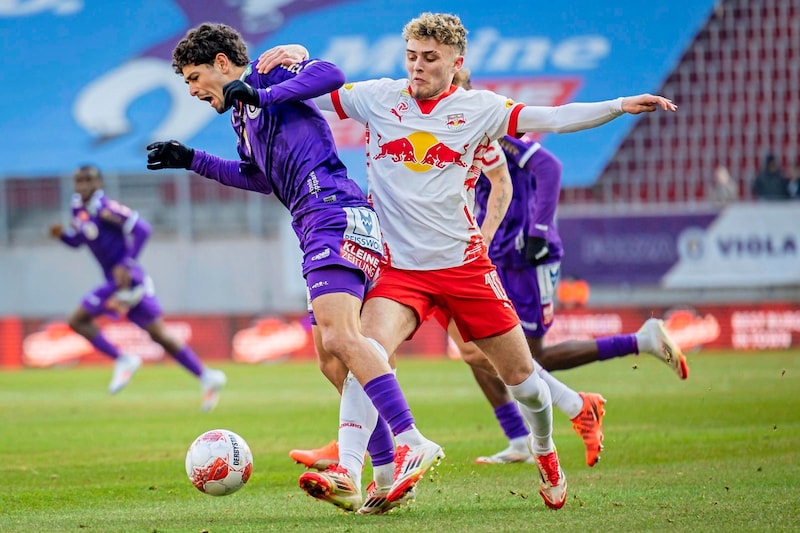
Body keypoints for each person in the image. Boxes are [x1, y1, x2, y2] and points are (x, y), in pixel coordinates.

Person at [257, 11, 677, 513]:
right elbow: (311, 91)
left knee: (524, 380)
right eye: (412, 56)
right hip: (397, 268)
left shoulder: (480, 109)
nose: (417, 67)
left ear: (457, 63)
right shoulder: (379, 98)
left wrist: (619, 105)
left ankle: (545, 454)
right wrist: (299, 58)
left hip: (464, 267)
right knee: (362, 352)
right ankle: (350, 471)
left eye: (430, 58)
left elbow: (554, 118)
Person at [145, 22, 443, 513]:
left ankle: (412, 438)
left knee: (344, 337)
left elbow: (331, 73)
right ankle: (386, 473)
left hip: (333, 211)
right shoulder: (241, 117)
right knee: (331, 355)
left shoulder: (266, 73)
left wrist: (263, 93)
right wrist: (190, 158)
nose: (193, 89)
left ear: (223, 63)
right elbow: (258, 178)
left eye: (194, 77)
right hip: (313, 223)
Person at [49, 165, 226, 411]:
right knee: (157, 334)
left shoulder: (107, 209)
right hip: (114, 282)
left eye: (89, 180)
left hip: (129, 281)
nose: (83, 186)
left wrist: (126, 264)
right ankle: (207, 376)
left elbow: (143, 229)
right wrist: (63, 237)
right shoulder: (78, 209)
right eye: (79, 181)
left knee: (81, 320)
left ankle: (125, 360)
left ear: (98, 184)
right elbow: (81, 240)